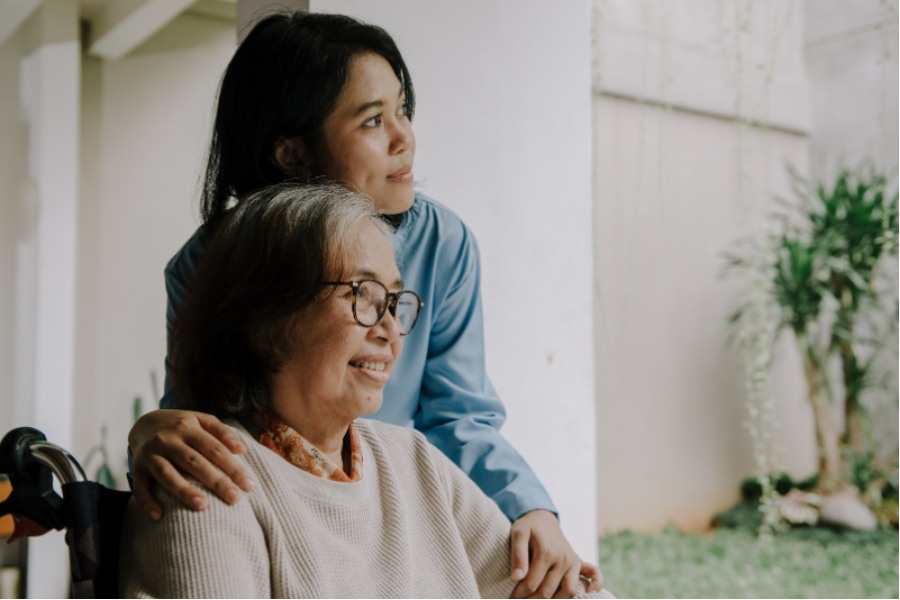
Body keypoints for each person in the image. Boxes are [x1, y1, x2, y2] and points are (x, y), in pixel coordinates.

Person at [126, 12, 602, 598]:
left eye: (403, 110)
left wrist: (530, 510)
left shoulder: (440, 246)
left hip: (396, 508)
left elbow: (460, 416)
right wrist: (150, 431)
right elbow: (203, 420)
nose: (406, 139)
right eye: (374, 120)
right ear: (294, 156)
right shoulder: (207, 267)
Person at [120, 183, 612, 600]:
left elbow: (548, 591)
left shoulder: (412, 462)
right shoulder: (207, 479)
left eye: (393, 301)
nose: (391, 331)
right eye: (363, 295)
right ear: (266, 316)